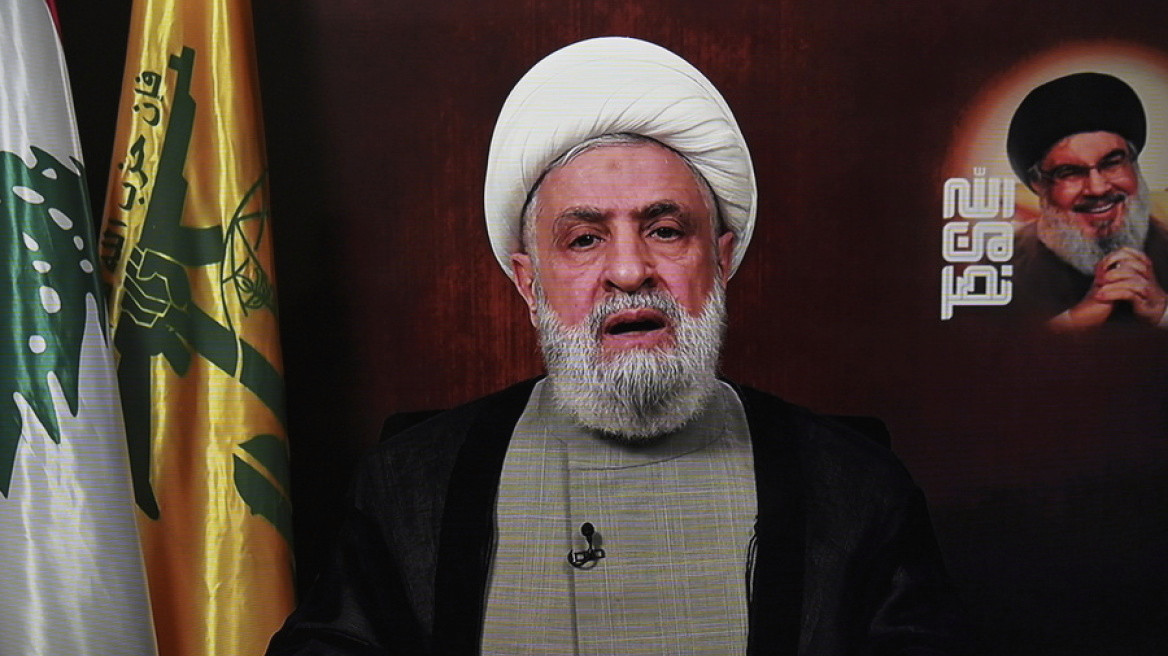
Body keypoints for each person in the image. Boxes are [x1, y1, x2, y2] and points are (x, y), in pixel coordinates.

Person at [267, 37, 968, 655]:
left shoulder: (854, 489)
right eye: (584, 239)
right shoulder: (412, 486)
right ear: (528, 283)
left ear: (721, 260)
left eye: (665, 230)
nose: (630, 271)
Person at [1007, 72, 1168, 330]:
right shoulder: (1003, 269)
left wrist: (1162, 313)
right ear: (1038, 185)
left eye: (1112, 163)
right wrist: (1075, 320)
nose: (1097, 188)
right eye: (1069, 172)